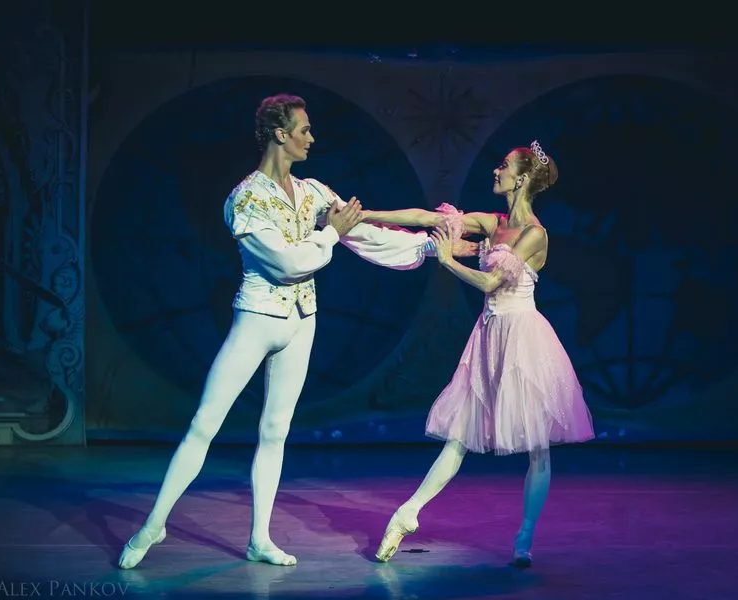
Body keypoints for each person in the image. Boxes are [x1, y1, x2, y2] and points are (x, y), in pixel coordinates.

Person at [117, 94, 479, 569]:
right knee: (205, 423)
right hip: (257, 319)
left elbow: (366, 234)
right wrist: (330, 233)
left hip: (301, 321)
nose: (312, 137)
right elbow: (288, 264)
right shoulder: (246, 199)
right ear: (280, 134)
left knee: (275, 431)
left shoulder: (312, 192)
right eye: (304, 129)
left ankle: (259, 538)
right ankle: (153, 525)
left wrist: (433, 249)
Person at [362, 141, 595, 568]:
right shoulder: (493, 223)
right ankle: (407, 513)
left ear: (521, 178)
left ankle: (524, 538)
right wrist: (365, 215)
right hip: (488, 336)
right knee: (459, 437)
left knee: (538, 447)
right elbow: (427, 218)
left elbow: (491, 284)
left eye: (503, 166)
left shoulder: (534, 234)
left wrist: (448, 260)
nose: (495, 171)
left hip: (524, 339)